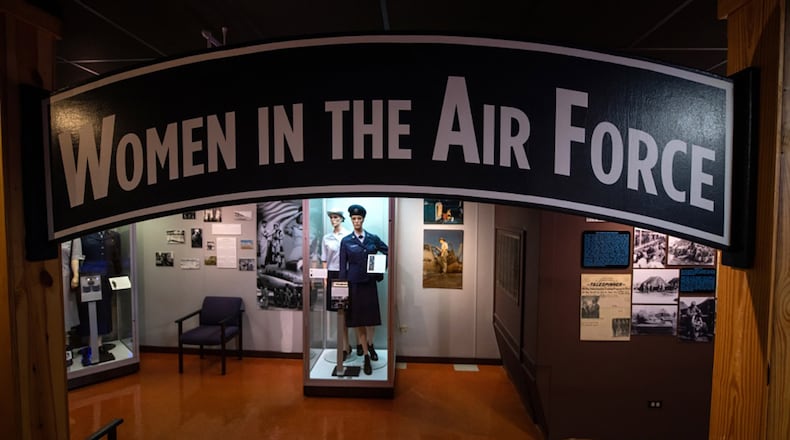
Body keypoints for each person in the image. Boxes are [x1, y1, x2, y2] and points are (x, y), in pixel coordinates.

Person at [338, 204, 388, 375]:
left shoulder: (372, 238)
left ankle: (371, 344)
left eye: (359, 218)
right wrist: (343, 288)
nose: (357, 221)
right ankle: (366, 355)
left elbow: (388, 251)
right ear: (351, 220)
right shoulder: (346, 241)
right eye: (354, 219)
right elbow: (342, 267)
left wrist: (380, 269)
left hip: (369, 283)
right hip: (354, 285)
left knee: (371, 319)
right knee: (359, 320)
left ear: (363, 219)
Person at [76, 229, 122, 365]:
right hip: (88, 279)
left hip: (107, 277)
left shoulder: (114, 235)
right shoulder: (84, 235)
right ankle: (91, 345)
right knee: (88, 312)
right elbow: (78, 257)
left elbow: (117, 258)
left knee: (104, 311)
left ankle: (99, 344)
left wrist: (118, 277)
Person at [321, 208, 354, 359]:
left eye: (336, 217)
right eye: (331, 217)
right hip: (332, 273)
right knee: (338, 311)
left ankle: (347, 346)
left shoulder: (348, 235)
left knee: (345, 310)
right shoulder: (326, 238)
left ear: (341, 219)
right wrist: (324, 278)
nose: (333, 220)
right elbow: (324, 259)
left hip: (345, 274)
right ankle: (344, 346)